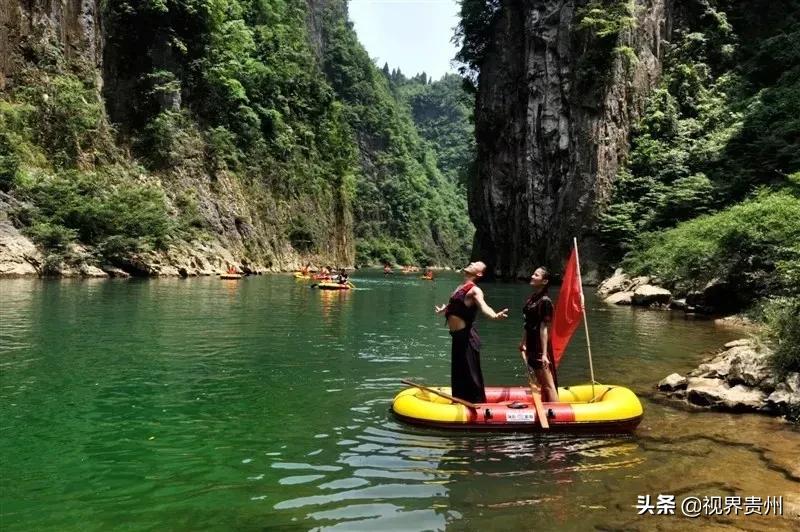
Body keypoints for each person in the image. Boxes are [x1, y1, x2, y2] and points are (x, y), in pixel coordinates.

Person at [434, 261, 509, 403]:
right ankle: (459, 401)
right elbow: (454, 304)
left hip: (467, 338)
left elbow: (484, 306)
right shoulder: (459, 288)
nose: (472, 263)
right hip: (457, 337)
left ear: (479, 273)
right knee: (458, 374)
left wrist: (494, 315)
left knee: (472, 375)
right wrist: (444, 309)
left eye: (476, 264)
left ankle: (479, 406)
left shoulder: (475, 290)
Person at [519, 267, 559, 402]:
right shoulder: (532, 299)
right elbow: (527, 323)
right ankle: (547, 408)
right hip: (531, 344)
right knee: (541, 383)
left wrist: (544, 354)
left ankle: (558, 417)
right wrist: (523, 341)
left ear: (544, 281)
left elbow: (544, 328)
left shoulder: (545, 301)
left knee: (548, 385)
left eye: (536, 275)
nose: (532, 276)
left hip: (539, 347)